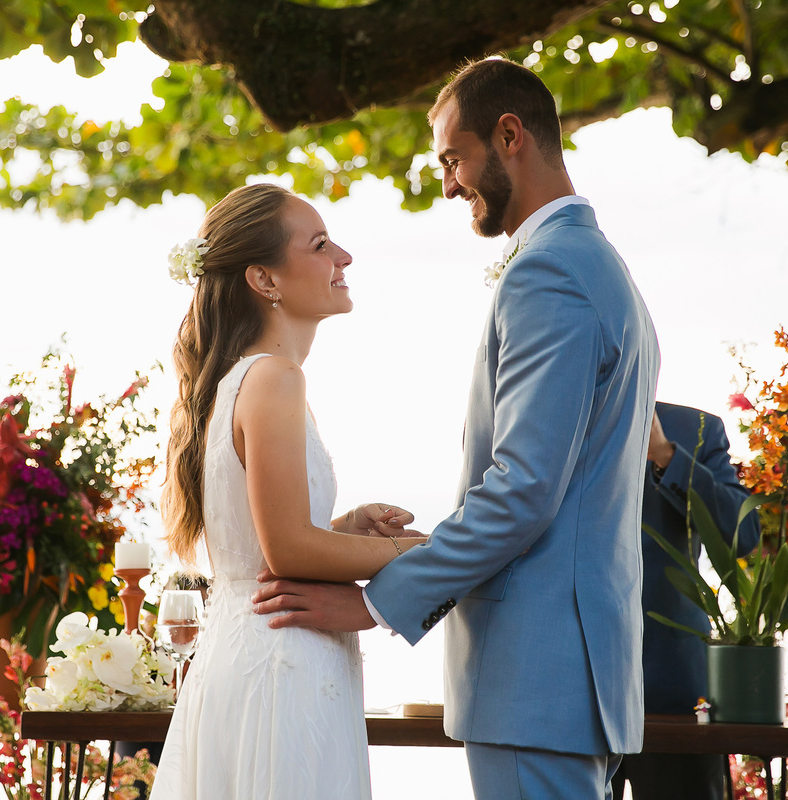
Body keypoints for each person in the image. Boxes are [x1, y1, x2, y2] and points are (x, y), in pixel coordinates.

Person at [253, 57, 660, 800]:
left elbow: (522, 491)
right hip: (572, 685)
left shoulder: (551, 272)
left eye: (453, 158)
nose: (447, 185)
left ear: (509, 135)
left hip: (535, 682)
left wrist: (377, 599)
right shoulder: (599, 265)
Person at [147, 182, 426, 800]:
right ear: (264, 280)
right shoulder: (273, 378)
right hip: (279, 666)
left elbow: (267, 537)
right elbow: (289, 554)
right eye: (321, 244)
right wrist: (420, 551)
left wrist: (343, 528)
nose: (344, 258)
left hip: (250, 650)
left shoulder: (238, 379)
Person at [612, 403, 760, 800]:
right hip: (564, 693)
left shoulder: (695, 428)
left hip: (671, 690)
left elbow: (743, 534)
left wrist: (666, 455)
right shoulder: (542, 423)